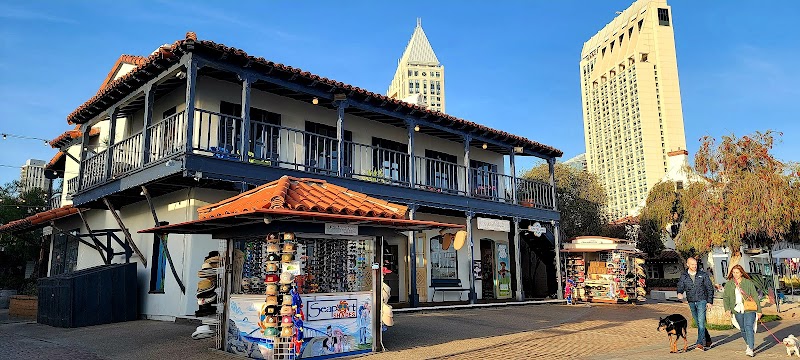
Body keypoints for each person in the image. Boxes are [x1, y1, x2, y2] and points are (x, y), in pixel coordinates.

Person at [723, 264, 762, 357]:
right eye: (733, 272)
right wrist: (727, 309)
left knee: (748, 326)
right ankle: (748, 344)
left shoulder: (748, 282)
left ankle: (751, 348)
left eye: (737, 272)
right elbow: (726, 297)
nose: (735, 274)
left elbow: (755, 296)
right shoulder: (729, 284)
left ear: (741, 273)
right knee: (743, 328)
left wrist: (759, 310)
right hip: (737, 309)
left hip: (749, 308)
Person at [676, 257, 714, 350]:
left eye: (696, 264)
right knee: (698, 322)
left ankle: (699, 343)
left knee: (701, 322)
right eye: (692, 264)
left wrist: (709, 301)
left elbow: (709, 288)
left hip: (702, 300)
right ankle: (708, 339)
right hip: (691, 301)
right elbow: (680, 285)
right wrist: (679, 293)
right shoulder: (684, 276)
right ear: (688, 264)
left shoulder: (703, 275)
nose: (695, 266)